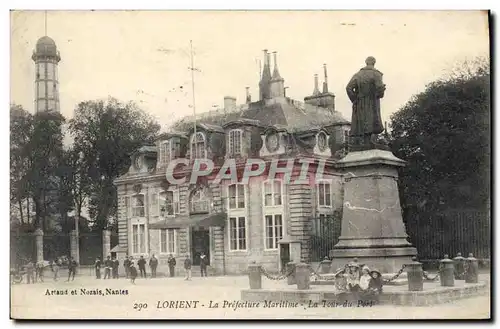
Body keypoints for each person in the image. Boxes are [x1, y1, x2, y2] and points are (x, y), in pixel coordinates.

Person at [346, 56, 386, 147]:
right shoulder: (377, 74)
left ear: (366, 62)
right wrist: (381, 93)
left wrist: (354, 100)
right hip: (372, 101)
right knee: (372, 119)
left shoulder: (358, 74)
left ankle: (366, 141)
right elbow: (380, 89)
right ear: (374, 63)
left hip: (360, 101)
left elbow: (348, 88)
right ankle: (369, 141)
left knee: (363, 120)